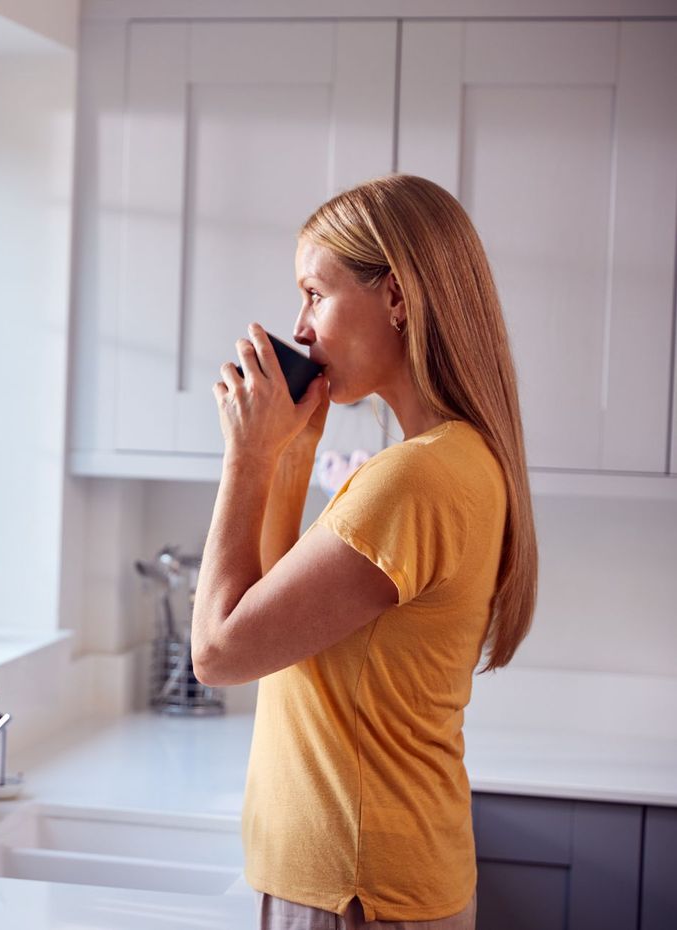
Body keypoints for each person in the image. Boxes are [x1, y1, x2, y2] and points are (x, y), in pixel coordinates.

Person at [189, 174, 539, 929]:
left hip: (354, 891)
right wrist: (284, 460)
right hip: (373, 879)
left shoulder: (411, 479)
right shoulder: (451, 460)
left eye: (314, 292)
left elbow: (218, 654)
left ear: (396, 297)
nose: (300, 327)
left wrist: (243, 460)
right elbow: (277, 631)